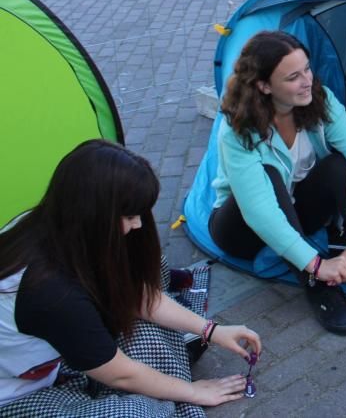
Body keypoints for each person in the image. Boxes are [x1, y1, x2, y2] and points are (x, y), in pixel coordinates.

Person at [0, 140, 262, 415]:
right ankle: (168, 381)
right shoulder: (52, 292)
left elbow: (138, 294)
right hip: (22, 395)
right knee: (137, 411)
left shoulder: (58, 225)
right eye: (129, 216)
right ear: (94, 214)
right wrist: (194, 391)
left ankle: (165, 378)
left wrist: (213, 331)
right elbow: (119, 374)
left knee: (150, 268)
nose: (138, 224)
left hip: (65, 354)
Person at [210, 30, 346, 336]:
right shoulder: (238, 128)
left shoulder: (318, 100)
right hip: (241, 228)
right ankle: (316, 284)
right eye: (293, 76)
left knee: (341, 165)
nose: (307, 80)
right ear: (264, 85)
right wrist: (317, 265)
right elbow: (260, 211)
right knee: (269, 176)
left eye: (307, 68)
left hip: (299, 211)